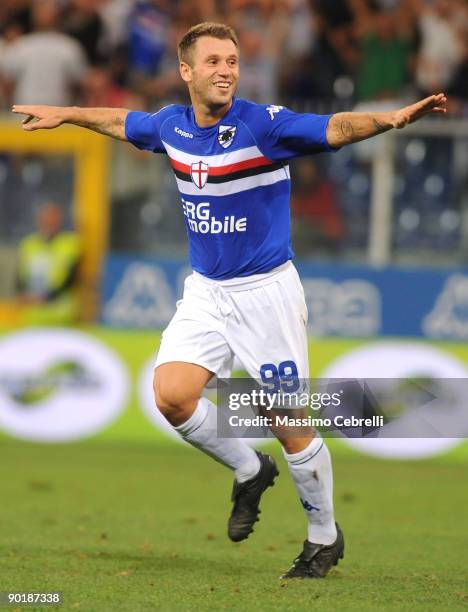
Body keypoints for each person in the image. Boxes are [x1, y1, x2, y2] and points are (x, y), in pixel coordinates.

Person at [12, 22, 447, 579]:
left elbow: (334, 126)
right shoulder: (171, 124)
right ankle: (249, 469)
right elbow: (125, 122)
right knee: (171, 394)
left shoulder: (265, 126)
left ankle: (323, 536)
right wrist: (69, 112)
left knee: (287, 418)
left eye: (234, 60)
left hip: (265, 294)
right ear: (187, 72)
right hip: (207, 292)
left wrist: (387, 120)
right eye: (214, 60)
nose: (226, 70)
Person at [16, 202, 82, 326]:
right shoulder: (29, 244)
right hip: (32, 317)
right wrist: (24, 295)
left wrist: (46, 298)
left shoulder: (70, 244)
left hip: (61, 316)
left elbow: (72, 278)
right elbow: (20, 276)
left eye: (52, 218)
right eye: (45, 218)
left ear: (59, 220)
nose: (48, 222)